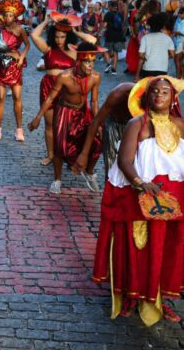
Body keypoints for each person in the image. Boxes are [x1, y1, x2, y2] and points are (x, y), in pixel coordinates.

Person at [92, 76, 184, 326]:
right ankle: (132, 296)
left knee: (166, 249)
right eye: (154, 91)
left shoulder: (180, 124)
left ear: (173, 98)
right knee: (137, 246)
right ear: (146, 96)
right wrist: (140, 183)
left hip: (173, 197)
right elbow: (124, 160)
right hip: (140, 195)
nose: (159, 96)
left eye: (165, 92)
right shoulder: (136, 123)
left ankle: (159, 298)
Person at [28, 42, 103, 194]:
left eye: (93, 62)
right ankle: (57, 180)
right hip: (64, 112)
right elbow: (50, 98)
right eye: (87, 62)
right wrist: (37, 118)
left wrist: (98, 123)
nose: (90, 66)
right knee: (60, 147)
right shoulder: (64, 76)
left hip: (83, 112)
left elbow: (94, 102)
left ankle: (89, 172)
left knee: (97, 142)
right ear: (79, 61)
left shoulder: (95, 77)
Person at [30, 12, 97, 166]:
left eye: (62, 37)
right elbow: (34, 35)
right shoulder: (48, 49)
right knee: (50, 124)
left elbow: (92, 40)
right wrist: (46, 20)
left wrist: (74, 31)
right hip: (49, 85)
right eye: (57, 36)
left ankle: (68, 153)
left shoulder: (75, 51)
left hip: (68, 88)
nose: (59, 40)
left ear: (68, 37)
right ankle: (51, 155)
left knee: (68, 125)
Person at [0, 0, 30, 141]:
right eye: (6, 15)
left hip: (15, 67)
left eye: (11, 16)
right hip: (2, 66)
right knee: (0, 98)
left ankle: (19, 130)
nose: (8, 18)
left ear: (15, 16)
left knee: (17, 98)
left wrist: (21, 57)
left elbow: (27, 45)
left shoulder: (20, 29)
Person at [73, 83, 135, 175]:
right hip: (114, 124)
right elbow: (96, 121)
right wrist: (84, 154)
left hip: (135, 127)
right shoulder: (118, 94)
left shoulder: (154, 99)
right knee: (112, 167)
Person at [136, 12, 174, 81]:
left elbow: (141, 55)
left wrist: (149, 58)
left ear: (150, 25)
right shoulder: (168, 38)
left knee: (147, 89)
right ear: (162, 26)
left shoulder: (145, 38)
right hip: (162, 69)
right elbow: (172, 54)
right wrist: (163, 56)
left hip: (147, 69)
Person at [102, 1, 125, 75]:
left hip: (110, 35)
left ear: (110, 7)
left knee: (105, 50)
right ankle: (114, 70)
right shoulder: (120, 14)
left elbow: (105, 25)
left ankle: (109, 63)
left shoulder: (108, 14)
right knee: (115, 52)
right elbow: (122, 25)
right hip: (119, 35)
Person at [174, 8, 184, 79]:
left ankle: (178, 76)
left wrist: (177, 32)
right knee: (179, 60)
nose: (179, 15)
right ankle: (180, 76)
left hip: (182, 42)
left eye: (181, 13)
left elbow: (181, 32)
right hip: (178, 42)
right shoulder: (179, 20)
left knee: (177, 59)